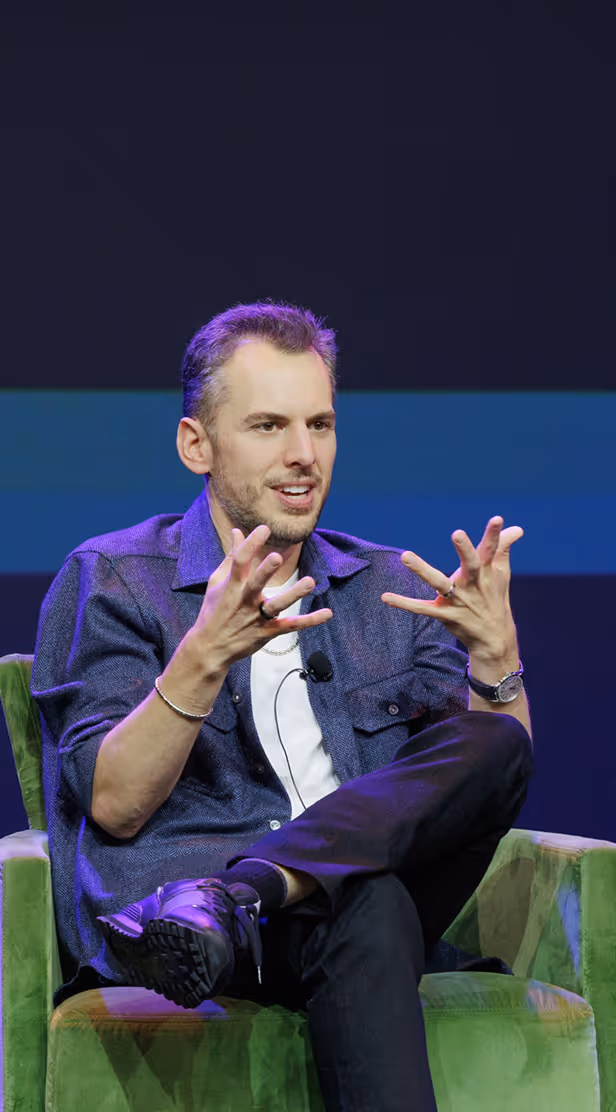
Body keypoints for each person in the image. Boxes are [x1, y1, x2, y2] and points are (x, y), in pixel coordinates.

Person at [32, 302, 533, 1112]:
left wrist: (497, 659)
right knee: (366, 898)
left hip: (290, 905)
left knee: (496, 746)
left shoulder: (389, 588)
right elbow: (115, 804)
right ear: (198, 443)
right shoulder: (115, 578)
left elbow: (477, 791)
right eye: (268, 426)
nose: (304, 456)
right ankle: (236, 896)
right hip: (187, 931)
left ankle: (251, 890)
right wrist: (203, 655)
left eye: (321, 425)